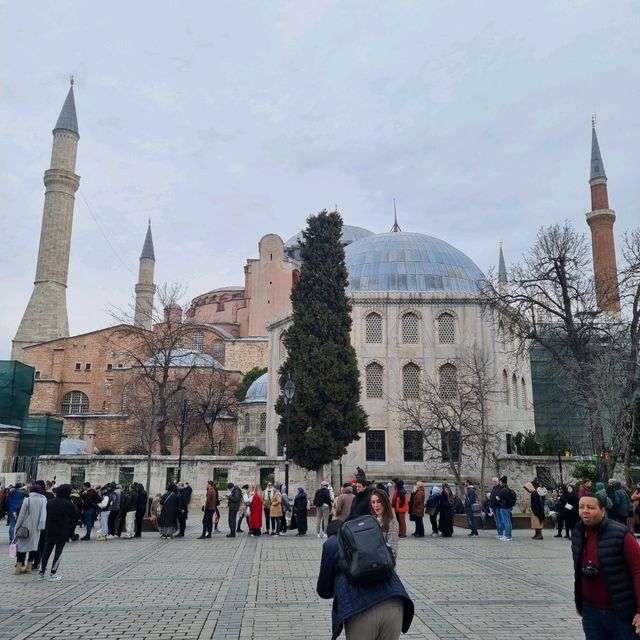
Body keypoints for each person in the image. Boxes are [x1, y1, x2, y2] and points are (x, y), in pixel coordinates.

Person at [316, 516, 414, 640]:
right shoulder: (372, 536)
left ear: (330, 533)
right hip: (395, 602)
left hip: (360, 610)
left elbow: (323, 590)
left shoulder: (331, 544)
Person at [573, 492, 640, 639]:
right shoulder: (578, 533)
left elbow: (638, 571)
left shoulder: (621, 534)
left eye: (590, 507)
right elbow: (578, 570)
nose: (585, 511)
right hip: (591, 612)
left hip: (621, 612)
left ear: (603, 511)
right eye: (581, 507)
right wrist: (579, 600)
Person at [38, 484, 78, 581]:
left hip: (50, 529)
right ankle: (53, 573)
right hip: (63, 530)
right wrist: (71, 532)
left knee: (46, 551)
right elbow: (75, 518)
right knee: (58, 552)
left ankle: (41, 573)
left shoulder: (50, 502)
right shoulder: (69, 504)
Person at [14, 483, 47, 575]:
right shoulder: (43, 500)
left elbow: (21, 515)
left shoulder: (27, 500)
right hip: (37, 527)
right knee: (33, 547)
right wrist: (41, 526)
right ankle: (29, 567)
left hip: (25, 527)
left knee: (21, 547)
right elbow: (44, 515)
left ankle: (18, 568)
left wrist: (17, 526)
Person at [371, 488, 400, 560]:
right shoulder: (372, 520)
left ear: (385, 502)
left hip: (384, 566)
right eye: (373, 502)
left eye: (378, 501)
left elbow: (393, 552)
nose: (376, 505)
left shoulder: (392, 522)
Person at [495, 475, 513, 541]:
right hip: (508, 507)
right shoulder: (508, 489)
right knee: (508, 521)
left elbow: (497, 497)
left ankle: (507, 535)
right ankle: (509, 535)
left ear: (502, 482)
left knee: (506, 522)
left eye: (500, 482)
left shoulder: (503, 489)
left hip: (503, 507)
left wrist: (498, 498)